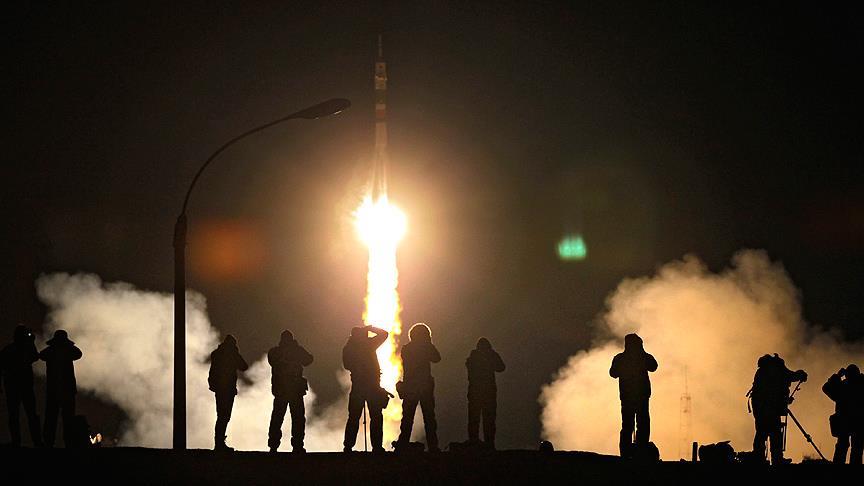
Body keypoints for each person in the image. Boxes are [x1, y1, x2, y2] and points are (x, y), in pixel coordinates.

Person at [748, 353, 807, 465]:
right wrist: (801, 374)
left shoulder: (762, 372)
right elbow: (790, 376)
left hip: (760, 408)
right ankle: (777, 460)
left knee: (761, 433)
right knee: (775, 434)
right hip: (770, 409)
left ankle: (759, 459)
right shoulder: (776, 370)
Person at [609, 333, 658, 458]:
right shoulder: (641, 357)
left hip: (629, 396)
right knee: (641, 423)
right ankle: (640, 451)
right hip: (639, 396)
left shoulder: (620, 358)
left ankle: (627, 453)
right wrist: (642, 354)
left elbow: (613, 373)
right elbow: (653, 366)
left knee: (629, 424)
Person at [394, 323, 441, 452]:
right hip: (424, 387)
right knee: (429, 419)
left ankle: (403, 444)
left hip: (410, 387)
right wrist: (429, 344)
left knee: (407, 419)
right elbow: (437, 358)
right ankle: (433, 446)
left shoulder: (407, 349)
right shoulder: (425, 348)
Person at [342, 325, 389, 452]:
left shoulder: (349, 348)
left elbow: (347, 365)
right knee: (376, 416)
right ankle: (377, 447)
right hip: (373, 387)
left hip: (358, 387)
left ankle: (348, 446)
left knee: (354, 417)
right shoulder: (369, 345)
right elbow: (384, 334)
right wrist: (370, 328)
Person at [267, 330, 314, 453]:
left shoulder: (275, 352)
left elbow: (271, 360)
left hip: (281, 390)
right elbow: (309, 359)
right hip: (295, 390)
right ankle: (297, 446)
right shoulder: (296, 351)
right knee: (298, 418)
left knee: (277, 418)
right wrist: (296, 348)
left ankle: (273, 445)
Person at [1, 325, 43, 447]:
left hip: (13, 386)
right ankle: (36, 441)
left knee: (14, 415)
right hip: (25, 386)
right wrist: (31, 342)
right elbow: (35, 357)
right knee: (31, 414)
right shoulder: (25, 348)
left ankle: (17, 441)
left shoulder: (8, 349)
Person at [39, 329, 82, 448]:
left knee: (51, 418)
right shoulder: (68, 351)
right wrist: (67, 346)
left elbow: (41, 355)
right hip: (67, 390)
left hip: (53, 390)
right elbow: (78, 353)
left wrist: (56, 347)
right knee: (67, 418)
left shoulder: (51, 351)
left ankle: (49, 443)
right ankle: (68, 443)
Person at [208, 334, 248, 451]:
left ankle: (219, 443)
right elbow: (244, 366)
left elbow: (212, 371)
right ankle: (220, 443)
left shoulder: (216, 354)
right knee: (224, 416)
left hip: (220, 389)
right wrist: (236, 353)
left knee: (221, 416)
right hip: (228, 389)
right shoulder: (232, 355)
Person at [465, 337, 505, 448]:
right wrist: (492, 355)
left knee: (476, 419)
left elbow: (501, 368)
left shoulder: (472, 358)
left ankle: (476, 442)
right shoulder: (477, 358)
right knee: (487, 420)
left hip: (476, 393)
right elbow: (501, 367)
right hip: (486, 393)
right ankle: (487, 444)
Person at [822, 364, 864, 464]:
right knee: (857, 447)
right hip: (858, 421)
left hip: (844, 421)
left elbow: (826, 388)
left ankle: (838, 467)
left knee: (843, 445)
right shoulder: (860, 386)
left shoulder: (842, 386)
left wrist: (837, 376)